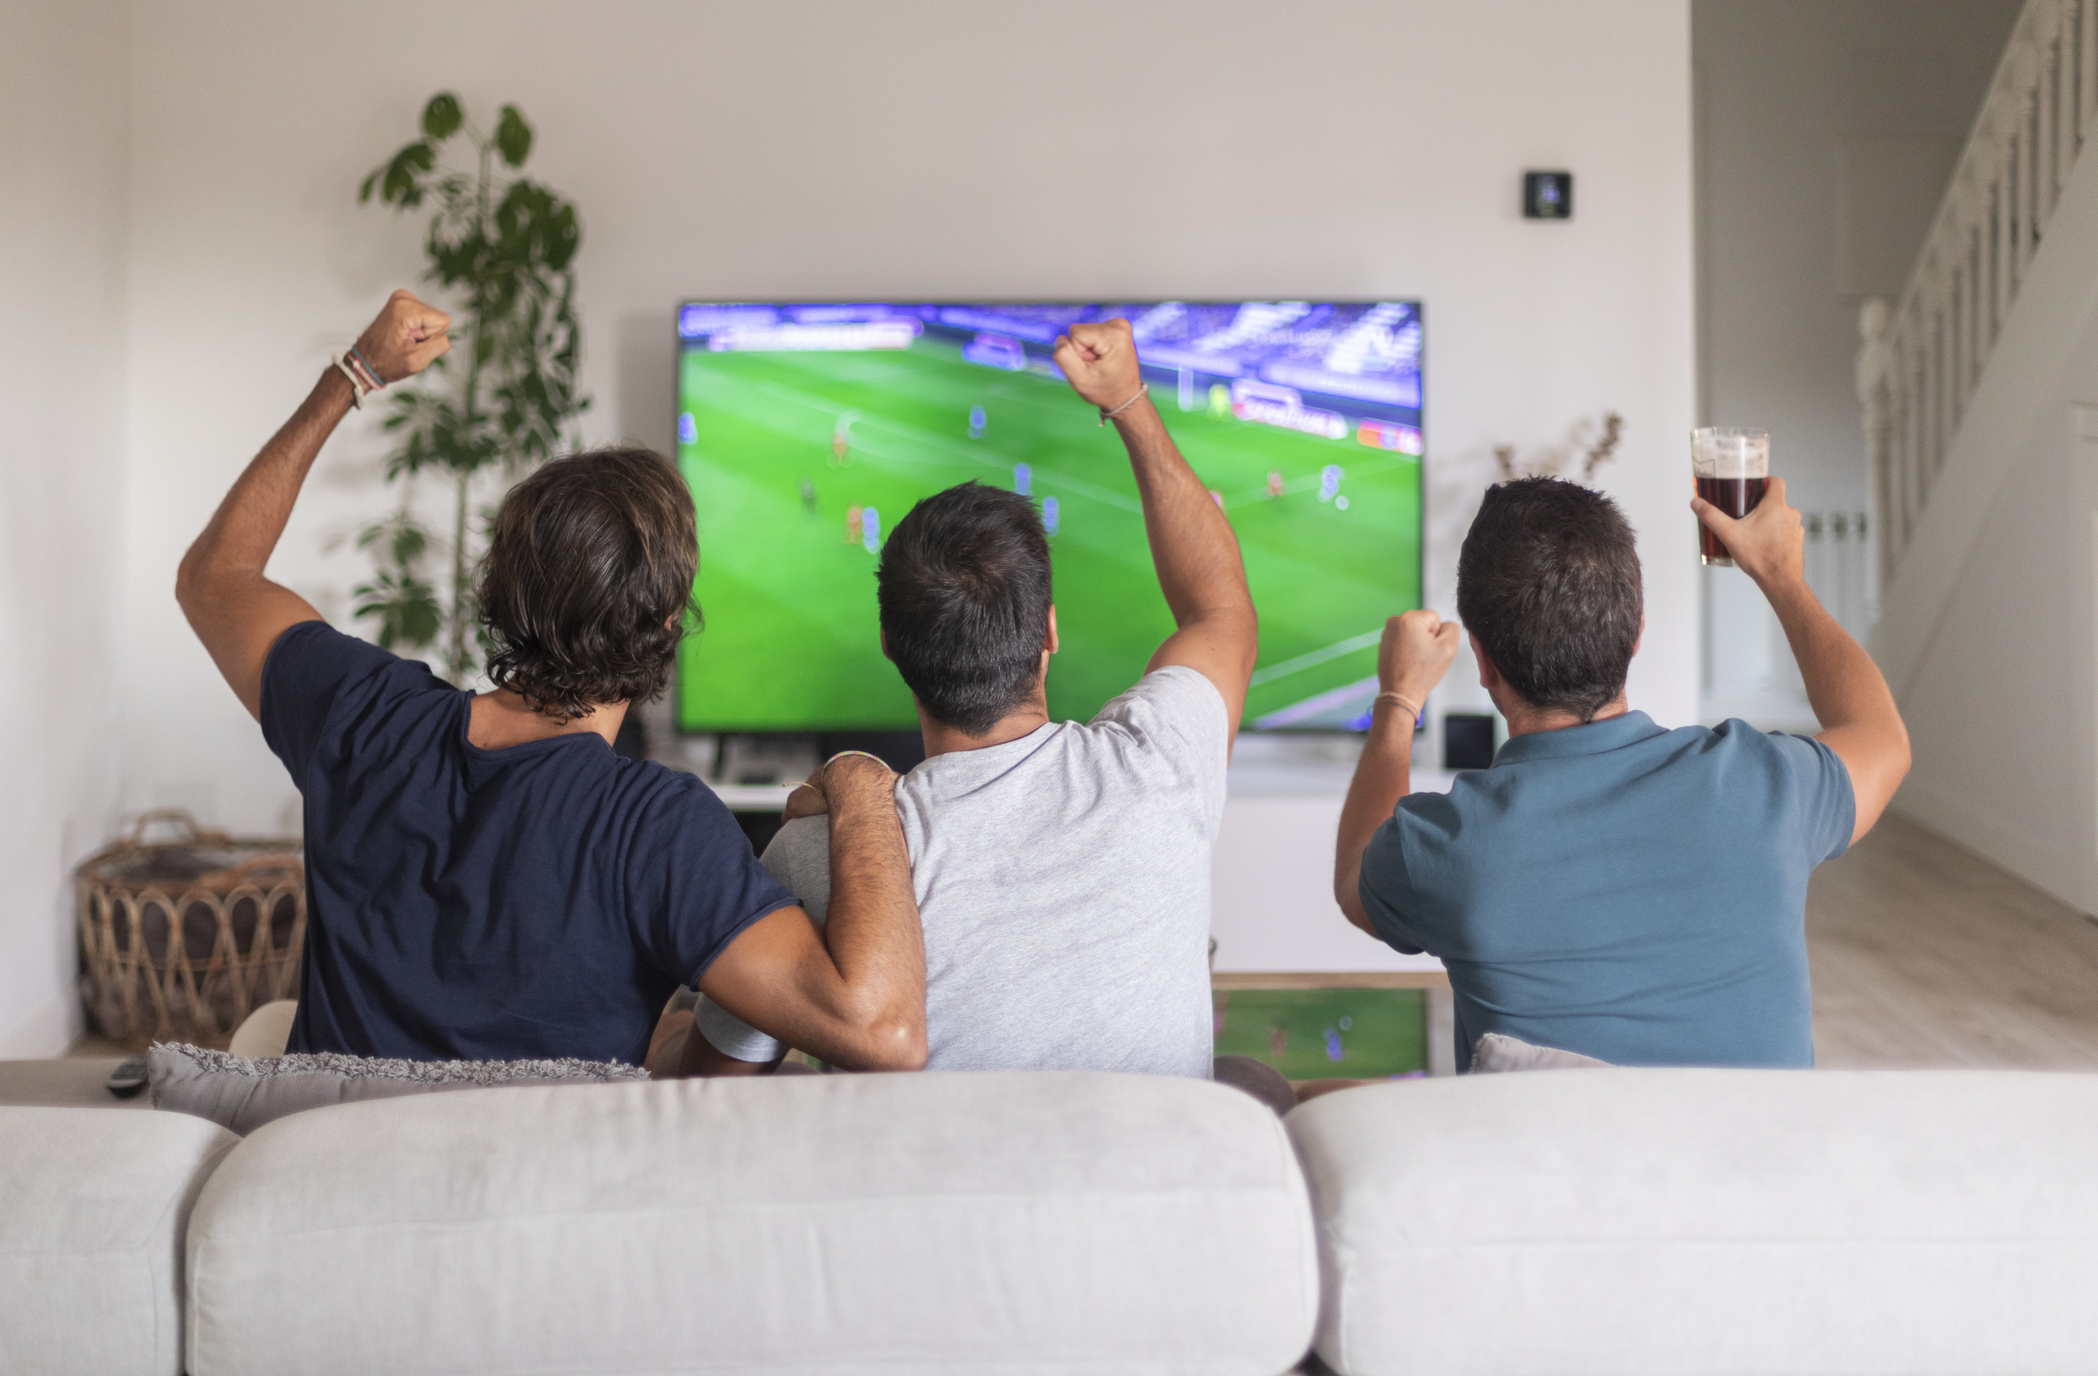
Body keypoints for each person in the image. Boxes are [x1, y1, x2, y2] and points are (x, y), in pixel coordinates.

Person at [175, 291, 926, 1071]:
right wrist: (861, 781)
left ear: (498, 589)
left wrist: (354, 373)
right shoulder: (659, 827)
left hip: (331, 1139)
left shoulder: (361, 713)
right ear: (667, 622)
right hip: (535, 1152)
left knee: (266, 1028)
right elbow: (884, 1034)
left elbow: (214, 575)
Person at [679, 318, 1258, 1078]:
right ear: (1049, 630)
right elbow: (1220, 611)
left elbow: (709, 1091)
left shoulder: (823, 851)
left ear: (890, 646)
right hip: (1153, 1156)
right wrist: (1128, 401)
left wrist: (673, 1027)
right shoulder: (1165, 760)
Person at [1332, 475, 1910, 1071]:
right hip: (1759, 1136)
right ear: (1635, 635)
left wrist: (1399, 697)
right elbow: (1881, 740)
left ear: (1483, 662)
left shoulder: (1446, 847)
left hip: (1544, 1137)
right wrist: (1780, 573)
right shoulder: (1765, 783)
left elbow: (1355, 877)